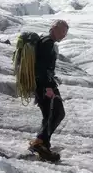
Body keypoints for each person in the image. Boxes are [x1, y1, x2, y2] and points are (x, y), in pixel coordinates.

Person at [28, 20, 68, 159]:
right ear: (54, 29)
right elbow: (41, 68)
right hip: (45, 86)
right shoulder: (47, 44)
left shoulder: (44, 41)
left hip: (42, 85)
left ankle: (44, 145)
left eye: (65, 33)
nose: (64, 35)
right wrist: (48, 88)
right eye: (62, 31)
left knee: (49, 115)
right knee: (58, 113)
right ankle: (40, 142)